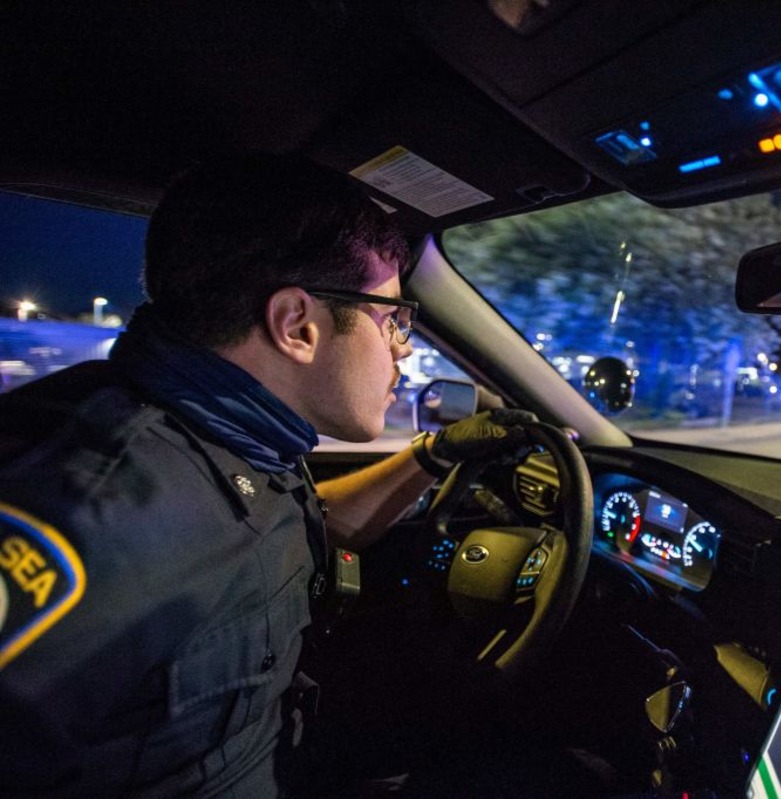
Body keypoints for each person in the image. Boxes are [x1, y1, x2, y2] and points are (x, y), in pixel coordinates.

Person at [0, 153, 532, 796]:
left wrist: (435, 455)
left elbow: (299, 523)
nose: (403, 346)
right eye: (391, 318)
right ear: (296, 325)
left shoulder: (235, 438)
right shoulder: (99, 512)